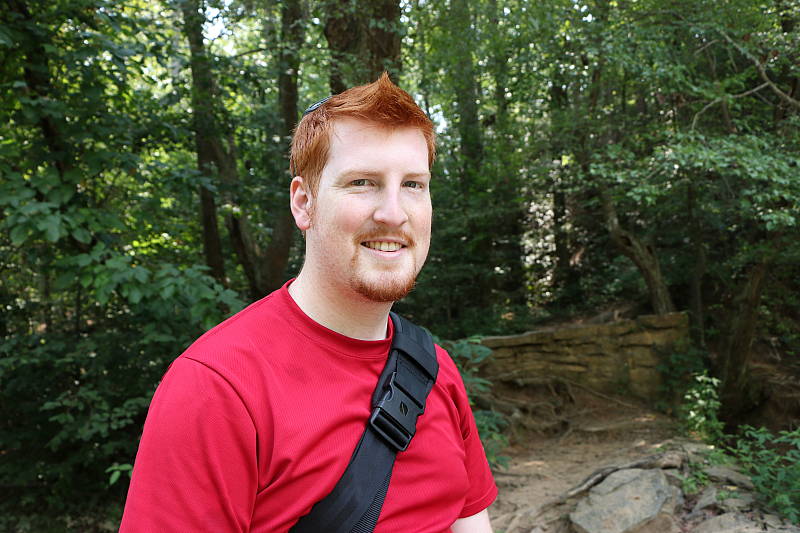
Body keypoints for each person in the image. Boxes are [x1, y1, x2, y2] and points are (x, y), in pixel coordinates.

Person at [119, 73, 497, 533]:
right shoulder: (217, 388)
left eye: (413, 185)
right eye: (362, 182)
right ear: (303, 203)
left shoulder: (434, 369)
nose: (394, 213)